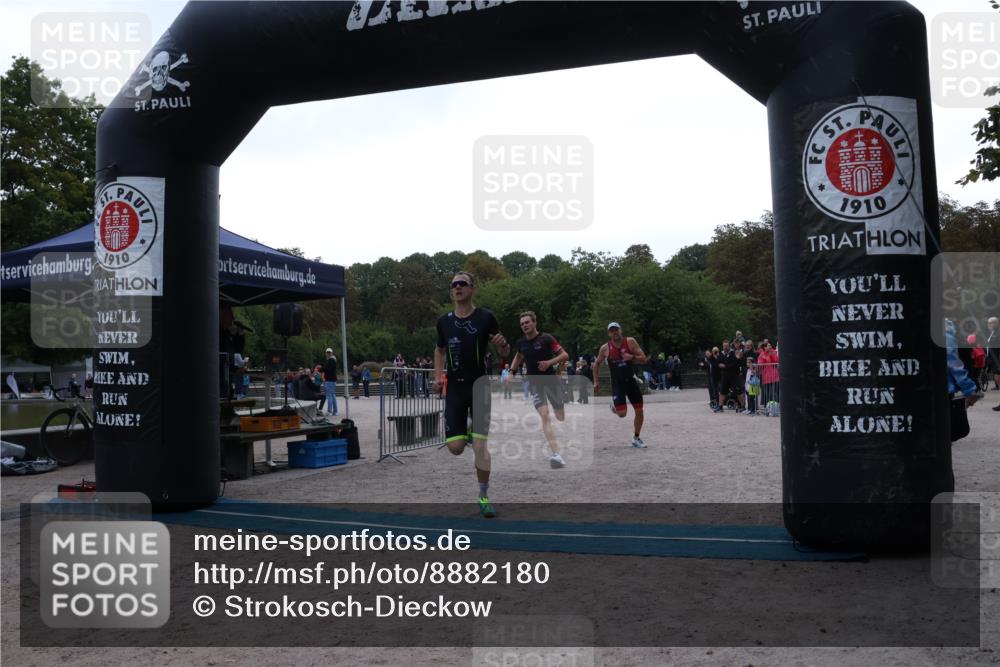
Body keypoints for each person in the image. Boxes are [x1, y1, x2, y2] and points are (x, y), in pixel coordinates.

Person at [433, 271, 510, 518]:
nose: (457, 287)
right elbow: (439, 350)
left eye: (462, 284)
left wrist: (502, 346)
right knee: (455, 448)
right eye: (454, 284)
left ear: (472, 289)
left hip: (479, 387)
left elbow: (504, 351)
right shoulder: (443, 322)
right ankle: (465, 431)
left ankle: (484, 496)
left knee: (479, 446)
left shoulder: (485, 317)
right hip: (455, 388)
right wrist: (437, 376)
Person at [509, 311, 570, 469]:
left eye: (527, 322)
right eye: (522, 324)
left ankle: (559, 410)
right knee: (545, 415)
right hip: (535, 383)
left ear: (535, 323)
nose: (525, 325)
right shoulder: (521, 343)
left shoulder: (546, 338)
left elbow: (565, 355)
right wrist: (511, 372)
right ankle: (556, 455)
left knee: (560, 416)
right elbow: (518, 356)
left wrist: (549, 362)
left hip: (551, 381)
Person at [593, 322, 648, 448]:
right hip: (617, 383)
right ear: (609, 333)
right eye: (612, 331)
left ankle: (636, 438)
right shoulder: (605, 348)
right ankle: (615, 407)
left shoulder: (630, 342)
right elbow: (596, 364)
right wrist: (596, 382)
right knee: (622, 414)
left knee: (639, 410)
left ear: (620, 330)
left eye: (616, 330)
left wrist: (631, 357)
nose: (615, 332)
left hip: (631, 381)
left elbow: (643, 358)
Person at [986, 316, 1000, 410]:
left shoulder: (998, 333)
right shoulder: (992, 333)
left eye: (994, 322)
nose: (992, 324)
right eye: (990, 323)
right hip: (994, 362)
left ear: (998, 323)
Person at [323, 348, 339, 417]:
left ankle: (330, 411)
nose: (328, 354)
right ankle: (335, 411)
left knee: (329, 396)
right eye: (327, 352)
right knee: (332, 395)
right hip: (332, 380)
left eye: (329, 353)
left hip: (329, 380)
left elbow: (327, 370)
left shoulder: (330, 360)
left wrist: (321, 368)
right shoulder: (333, 360)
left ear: (332, 353)